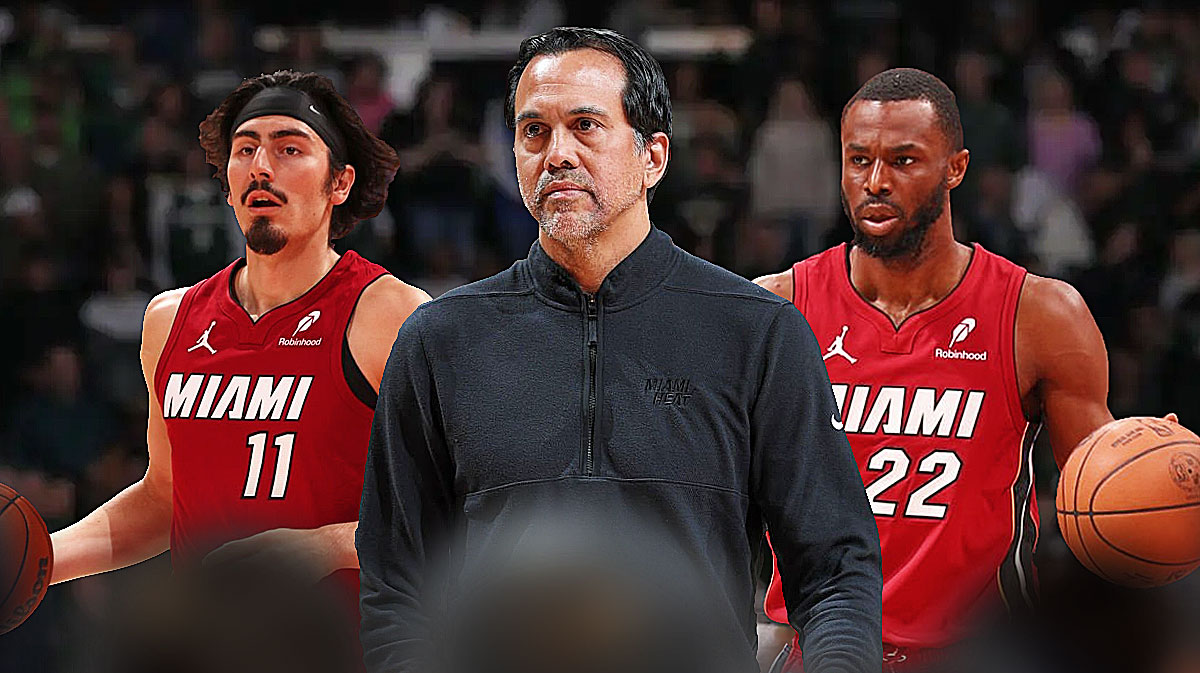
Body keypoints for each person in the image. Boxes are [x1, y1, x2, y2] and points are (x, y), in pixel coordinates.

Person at [357, 27, 882, 673]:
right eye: (534, 132)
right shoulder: (440, 340)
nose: (557, 154)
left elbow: (835, 569)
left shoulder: (756, 331)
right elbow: (396, 588)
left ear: (653, 156)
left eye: (585, 125)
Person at [753, 68, 1140, 672]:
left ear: (956, 168)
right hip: (825, 650)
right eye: (859, 160)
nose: (875, 182)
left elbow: (1102, 497)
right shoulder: (778, 308)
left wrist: (1151, 477)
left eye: (904, 160)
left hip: (981, 652)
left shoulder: (1038, 315)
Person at [48, 70, 429, 611]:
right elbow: (163, 498)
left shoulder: (387, 313)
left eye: (289, 148)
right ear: (226, 183)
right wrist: (38, 562)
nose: (262, 167)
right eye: (245, 150)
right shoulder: (170, 319)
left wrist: (323, 546)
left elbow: (456, 507)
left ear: (339, 183)